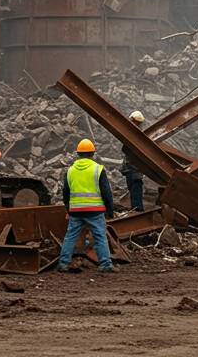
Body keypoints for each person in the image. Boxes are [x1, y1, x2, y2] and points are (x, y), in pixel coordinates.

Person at [57, 138, 116, 273]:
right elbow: (106, 192)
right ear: (93, 153)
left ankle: (63, 263)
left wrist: (69, 209)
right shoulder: (98, 169)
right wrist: (110, 210)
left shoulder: (70, 171)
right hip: (95, 210)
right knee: (100, 236)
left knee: (70, 236)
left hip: (76, 210)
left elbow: (65, 193)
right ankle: (105, 264)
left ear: (78, 154)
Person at [121, 110, 148, 211]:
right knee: (135, 191)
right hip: (133, 169)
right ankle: (137, 210)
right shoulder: (133, 135)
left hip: (134, 169)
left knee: (135, 191)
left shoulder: (135, 135)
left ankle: (137, 211)